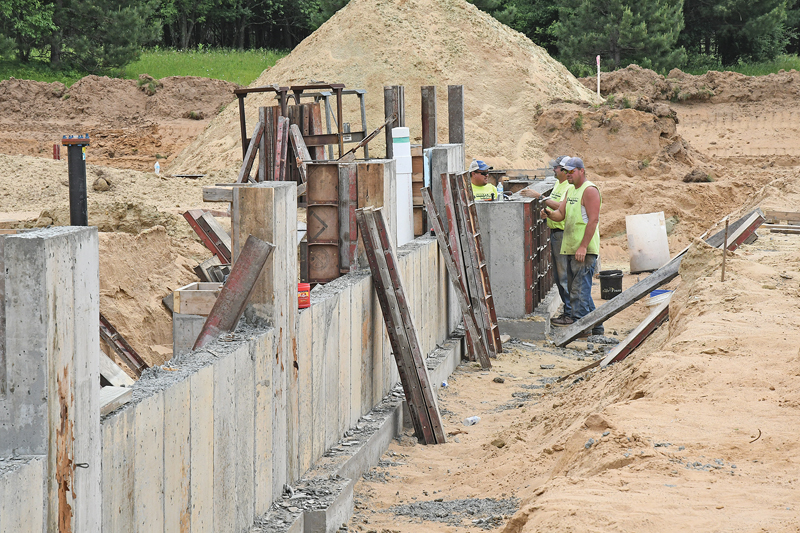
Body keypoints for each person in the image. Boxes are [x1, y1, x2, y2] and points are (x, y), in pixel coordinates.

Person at [543, 156, 604, 336]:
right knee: (577, 289)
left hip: (583, 250)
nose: (568, 174)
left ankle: (582, 329)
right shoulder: (571, 190)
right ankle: (597, 327)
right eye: (566, 171)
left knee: (579, 291)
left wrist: (583, 246)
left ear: (581, 171)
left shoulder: (590, 190)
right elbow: (560, 215)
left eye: (571, 171)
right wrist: (547, 214)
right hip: (571, 247)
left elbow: (593, 220)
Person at [520, 155, 572, 324]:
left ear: (564, 170)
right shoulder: (558, 184)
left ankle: (570, 314)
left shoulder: (568, 186)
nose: (554, 170)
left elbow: (561, 207)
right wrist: (547, 213)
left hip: (563, 233)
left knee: (564, 276)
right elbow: (555, 207)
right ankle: (569, 312)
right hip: (556, 232)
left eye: (556, 168)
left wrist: (539, 197)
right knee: (558, 276)